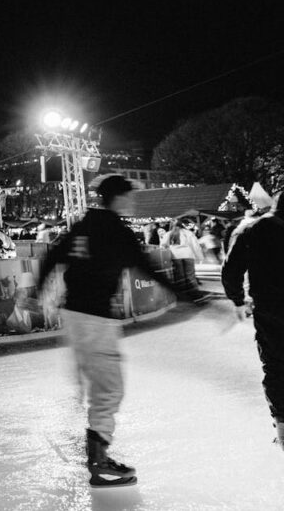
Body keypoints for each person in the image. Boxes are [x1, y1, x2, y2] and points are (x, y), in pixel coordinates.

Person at [36, 175, 209, 488]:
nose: (133, 200)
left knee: (99, 383)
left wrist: (39, 289)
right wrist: (191, 297)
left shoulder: (84, 225)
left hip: (74, 314)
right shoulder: (116, 230)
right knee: (109, 389)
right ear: (117, 197)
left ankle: (97, 454)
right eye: (129, 195)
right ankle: (99, 463)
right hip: (96, 317)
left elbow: (52, 255)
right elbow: (149, 269)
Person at [222, 194, 284, 452]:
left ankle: (282, 429)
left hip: (270, 310)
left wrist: (237, 299)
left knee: (275, 367)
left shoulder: (251, 229)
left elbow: (231, 269)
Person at [161, 220, 204, 297]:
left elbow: (163, 246)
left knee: (179, 277)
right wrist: (200, 257)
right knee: (190, 276)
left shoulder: (168, 234)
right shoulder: (188, 233)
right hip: (188, 255)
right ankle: (194, 294)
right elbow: (195, 246)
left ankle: (182, 294)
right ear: (182, 225)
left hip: (175, 256)